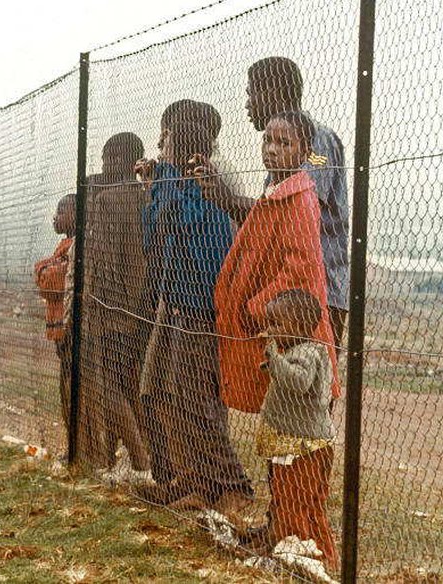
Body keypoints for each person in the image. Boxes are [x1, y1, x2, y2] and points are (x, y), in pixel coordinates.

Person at [134, 118, 254, 514]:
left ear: (178, 143)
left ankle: (233, 484)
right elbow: (151, 233)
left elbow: (174, 221)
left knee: (201, 401)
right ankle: (203, 482)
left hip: (203, 304)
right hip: (181, 300)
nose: (158, 142)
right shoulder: (177, 180)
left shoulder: (203, 179)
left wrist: (164, 177)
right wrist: (154, 187)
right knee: (183, 398)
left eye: (164, 136)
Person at [197, 57, 350, 346]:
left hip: (314, 295)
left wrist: (226, 199)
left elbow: (290, 216)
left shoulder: (313, 140)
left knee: (306, 383)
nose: (247, 104)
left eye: (251, 93)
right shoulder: (281, 147)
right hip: (285, 294)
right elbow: (271, 220)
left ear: (274, 92)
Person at [207, 110, 339, 414]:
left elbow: (301, 266)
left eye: (284, 143)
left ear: (304, 153)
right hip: (280, 322)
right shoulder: (276, 195)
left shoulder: (300, 200)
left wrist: (258, 307)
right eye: (268, 140)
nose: (272, 149)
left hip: (291, 324)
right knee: (279, 414)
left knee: (298, 418)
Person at [83, 133, 154, 485]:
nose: (101, 167)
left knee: (109, 384)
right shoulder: (147, 195)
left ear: (118, 160)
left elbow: (101, 260)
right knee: (130, 384)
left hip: (111, 308)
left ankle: (140, 462)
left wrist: (94, 302)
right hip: (143, 306)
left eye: (106, 159)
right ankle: (140, 457)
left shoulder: (107, 200)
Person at [252, 290, 337, 565]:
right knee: (292, 500)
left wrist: (274, 359)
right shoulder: (297, 351)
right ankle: (308, 552)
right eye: (270, 323)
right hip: (297, 445)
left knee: (296, 502)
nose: (271, 330)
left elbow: (299, 382)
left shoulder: (308, 354)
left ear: (301, 325)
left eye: (277, 324)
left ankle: (301, 554)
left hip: (303, 448)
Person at [33, 194, 77, 429]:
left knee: (69, 383)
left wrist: (43, 269)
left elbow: (49, 278)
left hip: (67, 323)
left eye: (61, 211)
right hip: (59, 323)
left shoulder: (73, 246)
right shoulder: (64, 245)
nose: (55, 217)